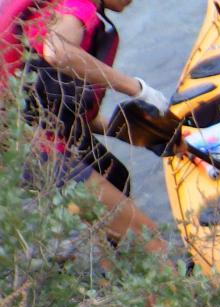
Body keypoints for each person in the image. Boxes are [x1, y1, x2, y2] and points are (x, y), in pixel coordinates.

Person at [3, 0, 169, 254]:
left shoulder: (50, 10)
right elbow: (58, 52)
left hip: (26, 135)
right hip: (21, 146)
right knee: (148, 238)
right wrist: (138, 88)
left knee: (114, 175)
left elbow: (64, 116)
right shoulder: (78, 4)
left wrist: (143, 134)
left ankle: (110, 271)